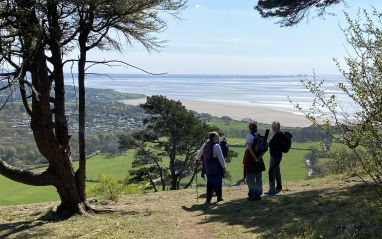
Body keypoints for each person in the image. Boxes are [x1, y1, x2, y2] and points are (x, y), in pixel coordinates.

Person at [195, 131, 227, 204]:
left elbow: (198, 156)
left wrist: (196, 158)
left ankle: (208, 200)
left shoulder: (205, 144)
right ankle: (219, 198)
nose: (218, 137)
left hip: (208, 168)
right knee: (218, 183)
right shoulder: (216, 146)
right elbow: (221, 158)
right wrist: (224, 168)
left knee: (209, 184)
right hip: (217, 168)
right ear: (213, 137)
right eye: (217, 136)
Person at [243, 122, 265, 201]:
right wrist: (259, 157)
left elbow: (249, 148)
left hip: (251, 159)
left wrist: (255, 158)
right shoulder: (259, 136)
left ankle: (252, 194)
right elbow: (264, 149)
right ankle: (258, 194)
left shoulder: (249, 135)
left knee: (250, 178)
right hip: (259, 159)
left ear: (249, 128)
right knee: (258, 177)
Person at [267, 121, 284, 195]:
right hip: (278, 155)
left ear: (275, 128)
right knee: (277, 171)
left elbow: (271, 144)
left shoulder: (277, 135)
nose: (272, 128)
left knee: (272, 172)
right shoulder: (280, 134)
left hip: (275, 156)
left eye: (273, 127)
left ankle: (272, 189)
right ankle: (279, 186)